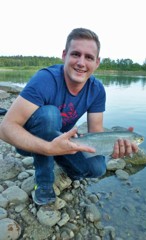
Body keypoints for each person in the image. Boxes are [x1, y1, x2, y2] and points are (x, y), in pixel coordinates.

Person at [0, 28, 138, 205]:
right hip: (30, 140)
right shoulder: (45, 79)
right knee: (50, 115)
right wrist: (48, 148)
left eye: (88, 57)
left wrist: (112, 149)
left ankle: (64, 164)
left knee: (97, 168)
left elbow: (95, 133)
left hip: (62, 139)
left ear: (97, 62)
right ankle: (43, 182)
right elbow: (5, 129)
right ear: (64, 55)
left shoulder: (96, 90)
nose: (81, 62)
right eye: (75, 54)